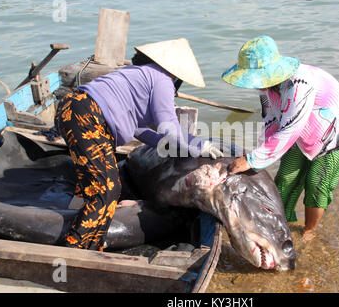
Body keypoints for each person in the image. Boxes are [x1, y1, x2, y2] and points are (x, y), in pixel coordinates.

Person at [55, 38, 223, 250]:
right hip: (87, 116)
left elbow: (138, 130)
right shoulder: (162, 79)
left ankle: (90, 241)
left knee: (99, 185)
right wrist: (200, 146)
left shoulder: (142, 75)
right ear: (176, 73)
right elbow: (168, 127)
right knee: (106, 190)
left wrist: (165, 145)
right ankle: (74, 248)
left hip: (74, 110)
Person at [222, 36, 339, 241]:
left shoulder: (299, 84)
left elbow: (289, 130)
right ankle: (283, 224)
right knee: (286, 177)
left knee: (316, 183)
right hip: (300, 132)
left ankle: (309, 231)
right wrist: (255, 156)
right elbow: (271, 123)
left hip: (337, 134)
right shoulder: (267, 88)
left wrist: (252, 160)